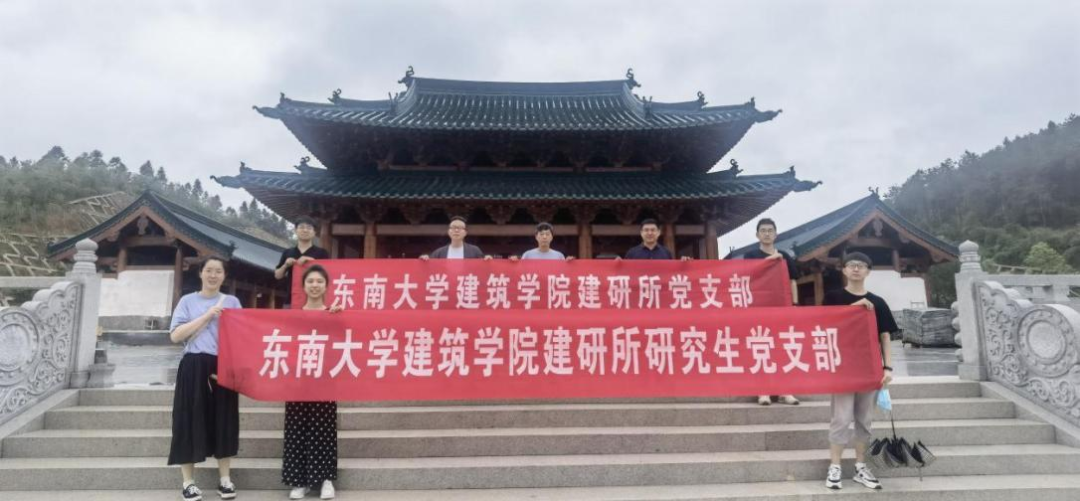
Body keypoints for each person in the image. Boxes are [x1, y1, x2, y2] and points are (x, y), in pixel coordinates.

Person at [167, 257, 242, 501]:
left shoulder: (232, 302)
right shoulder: (187, 301)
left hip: (222, 365)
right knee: (187, 420)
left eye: (218, 271)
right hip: (193, 364)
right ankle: (188, 483)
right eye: (208, 270)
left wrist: (232, 368)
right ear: (200, 273)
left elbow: (242, 337)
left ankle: (225, 480)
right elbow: (175, 336)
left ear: (224, 276)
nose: (213, 275)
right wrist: (207, 315)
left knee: (225, 420)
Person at [822, 252, 897, 491]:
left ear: (868, 271)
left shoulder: (878, 302)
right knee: (841, 418)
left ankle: (860, 467)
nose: (856, 268)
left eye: (862, 265)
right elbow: (824, 324)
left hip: (869, 368)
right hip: (843, 368)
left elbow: (885, 336)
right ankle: (834, 466)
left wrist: (887, 367)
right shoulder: (833, 298)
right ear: (843, 270)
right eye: (852, 265)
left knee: (864, 420)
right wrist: (854, 308)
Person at [283, 265, 342, 500]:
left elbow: (344, 343)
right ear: (303, 286)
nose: (315, 285)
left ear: (326, 286)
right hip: (297, 379)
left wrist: (340, 319)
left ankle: (325, 479)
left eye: (319, 281)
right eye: (310, 281)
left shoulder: (334, 313)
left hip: (324, 380)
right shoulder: (292, 315)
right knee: (296, 428)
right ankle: (300, 481)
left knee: (324, 428)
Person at [741, 218, 800, 406]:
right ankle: (763, 390)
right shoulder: (750, 255)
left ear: (776, 234)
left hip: (781, 310)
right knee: (761, 348)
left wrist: (794, 304)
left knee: (782, 348)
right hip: (758, 310)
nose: (767, 234)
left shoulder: (785, 256)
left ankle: (785, 390)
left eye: (770, 230)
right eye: (763, 230)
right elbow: (749, 274)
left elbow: (792, 281)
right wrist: (770, 260)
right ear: (757, 235)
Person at [275, 216, 331, 307]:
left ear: (314, 232)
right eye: (301, 227)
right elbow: (278, 276)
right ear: (295, 230)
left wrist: (312, 262)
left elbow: (328, 275)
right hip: (291, 299)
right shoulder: (288, 252)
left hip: (316, 300)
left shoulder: (322, 252)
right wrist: (285, 265)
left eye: (309, 228)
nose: (305, 230)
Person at [420, 216, 490, 260]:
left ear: (465, 233)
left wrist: (488, 260)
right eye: (453, 227)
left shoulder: (475, 251)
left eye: (460, 228)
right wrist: (425, 259)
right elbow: (430, 268)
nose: (456, 230)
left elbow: (482, 269)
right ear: (448, 232)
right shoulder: (439, 252)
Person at [623, 219, 691, 260]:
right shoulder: (632, 253)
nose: (650, 233)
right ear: (641, 233)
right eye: (646, 230)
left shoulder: (666, 253)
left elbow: (672, 272)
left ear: (658, 232)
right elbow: (625, 272)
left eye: (653, 230)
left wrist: (684, 264)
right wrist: (618, 264)